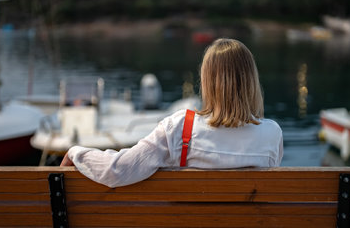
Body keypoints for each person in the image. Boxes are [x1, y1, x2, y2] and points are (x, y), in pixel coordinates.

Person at [60, 38, 283, 188]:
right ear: (250, 80)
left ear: (207, 80)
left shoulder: (180, 128)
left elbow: (117, 170)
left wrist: (77, 153)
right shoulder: (272, 133)